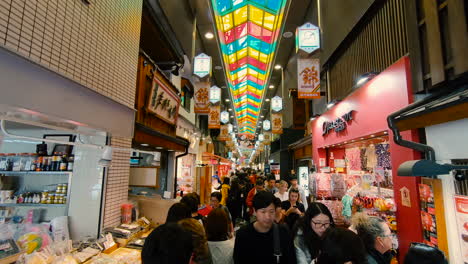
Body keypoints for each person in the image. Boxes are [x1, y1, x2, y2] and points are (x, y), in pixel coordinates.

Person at [233, 191, 296, 264]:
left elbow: (291, 260)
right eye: (263, 212)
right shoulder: (243, 235)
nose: (268, 216)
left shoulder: (283, 232)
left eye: (271, 212)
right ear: (254, 211)